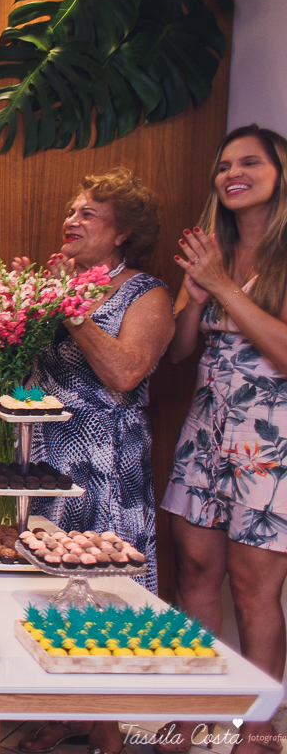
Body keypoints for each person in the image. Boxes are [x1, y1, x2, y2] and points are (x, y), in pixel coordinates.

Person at [16, 167, 174, 754]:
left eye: (89, 214)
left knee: (103, 598)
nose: (71, 220)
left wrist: (73, 310)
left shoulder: (145, 292)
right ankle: (67, 713)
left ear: (122, 234)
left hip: (106, 466)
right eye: (72, 209)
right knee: (47, 592)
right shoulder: (62, 282)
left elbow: (125, 373)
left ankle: (110, 734)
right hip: (48, 459)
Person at [159, 125, 287, 754]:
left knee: (252, 588)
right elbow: (180, 353)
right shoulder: (214, 253)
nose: (232, 174)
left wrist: (227, 287)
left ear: (279, 172)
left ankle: (257, 731)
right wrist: (197, 290)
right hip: (205, 433)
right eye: (224, 166)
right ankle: (192, 719)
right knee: (196, 574)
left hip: (271, 444)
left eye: (249, 163)